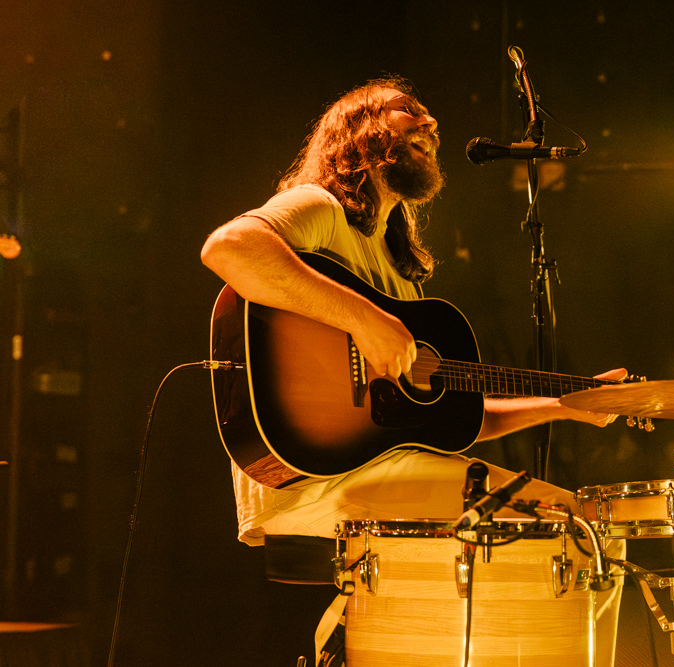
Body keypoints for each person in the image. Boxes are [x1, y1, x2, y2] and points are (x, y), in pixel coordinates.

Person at [200, 76, 625, 666]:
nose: (431, 126)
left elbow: (450, 426)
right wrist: (364, 321)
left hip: (376, 469)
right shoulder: (320, 208)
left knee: (571, 520)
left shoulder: (403, 277)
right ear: (360, 132)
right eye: (410, 114)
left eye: (431, 120)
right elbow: (230, 248)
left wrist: (567, 404)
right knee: (576, 522)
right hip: (308, 478)